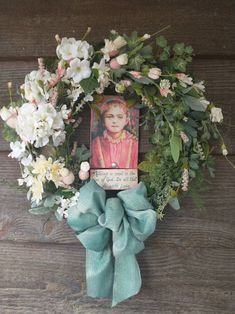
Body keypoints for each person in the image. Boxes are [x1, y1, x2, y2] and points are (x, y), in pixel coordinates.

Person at [91, 97, 138, 169]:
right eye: (110, 117)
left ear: (126, 120)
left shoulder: (133, 144)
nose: (115, 121)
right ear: (103, 120)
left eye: (120, 117)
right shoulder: (96, 143)